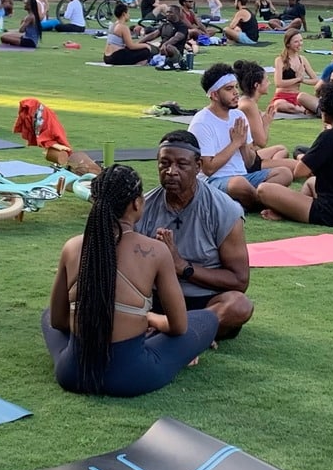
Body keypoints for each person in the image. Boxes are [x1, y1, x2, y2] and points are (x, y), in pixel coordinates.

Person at [45, 164, 218, 396]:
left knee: (46, 315)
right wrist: (151, 319)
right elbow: (178, 327)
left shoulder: (73, 246)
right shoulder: (155, 250)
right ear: (137, 203)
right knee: (207, 319)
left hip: (74, 373)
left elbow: (57, 320)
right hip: (131, 375)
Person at [135, 129, 256, 339]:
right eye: (164, 163)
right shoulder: (142, 208)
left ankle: (179, 333)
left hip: (204, 302)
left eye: (181, 165)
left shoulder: (224, 209)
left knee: (239, 305)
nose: (171, 171)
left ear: (198, 166)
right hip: (155, 300)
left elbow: (239, 281)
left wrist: (182, 266)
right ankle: (189, 335)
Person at [255, 77, 333, 226]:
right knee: (310, 183)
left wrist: (303, 156)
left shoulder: (330, 136)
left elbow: (298, 172)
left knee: (264, 189)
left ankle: (288, 211)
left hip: (331, 212)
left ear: (329, 110)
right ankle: (289, 210)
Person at [187, 63, 292, 211]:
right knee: (238, 184)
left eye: (236, 87)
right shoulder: (202, 122)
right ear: (214, 95)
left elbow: (249, 163)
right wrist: (235, 143)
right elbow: (208, 169)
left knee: (284, 173)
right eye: (229, 89)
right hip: (214, 182)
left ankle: (245, 203)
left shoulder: (238, 115)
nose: (236, 92)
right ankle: (265, 202)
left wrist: (243, 145)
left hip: (243, 177)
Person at [272, 30, 320, 112]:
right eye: (296, 42)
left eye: (301, 40)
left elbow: (315, 80)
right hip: (282, 96)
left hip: (297, 96)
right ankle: (302, 110)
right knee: (279, 105)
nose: (300, 43)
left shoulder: (302, 59)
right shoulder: (280, 60)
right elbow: (279, 83)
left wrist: (303, 80)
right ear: (288, 44)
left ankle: (300, 109)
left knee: (307, 99)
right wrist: (297, 79)